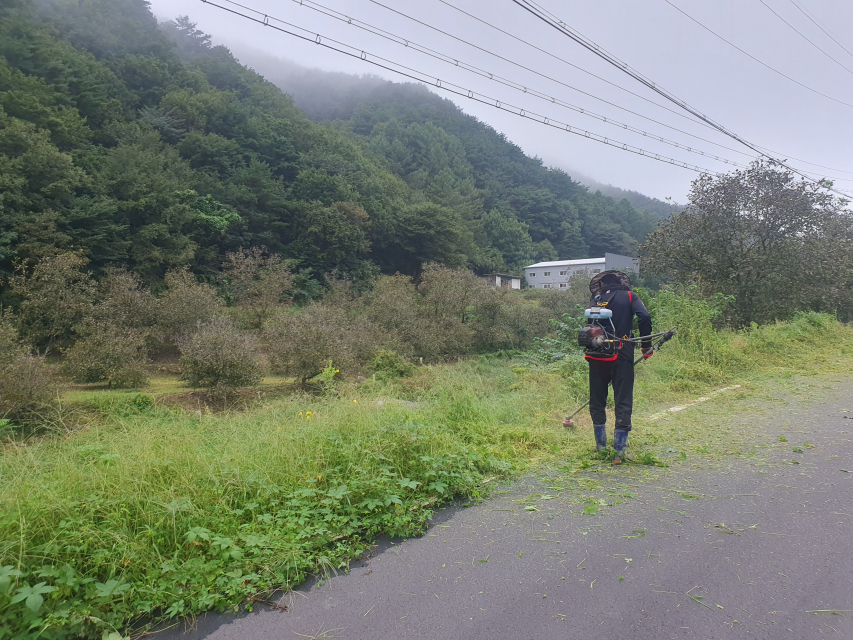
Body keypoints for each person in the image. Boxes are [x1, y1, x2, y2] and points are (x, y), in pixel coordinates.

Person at [585, 270, 652, 464]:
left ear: (602, 284)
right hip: (622, 353)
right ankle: (619, 453)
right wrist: (646, 346)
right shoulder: (629, 296)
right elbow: (644, 316)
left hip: (596, 354)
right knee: (622, 400)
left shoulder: (595, 299)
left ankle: (601, 448)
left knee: (597, 400)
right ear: (621, 283)